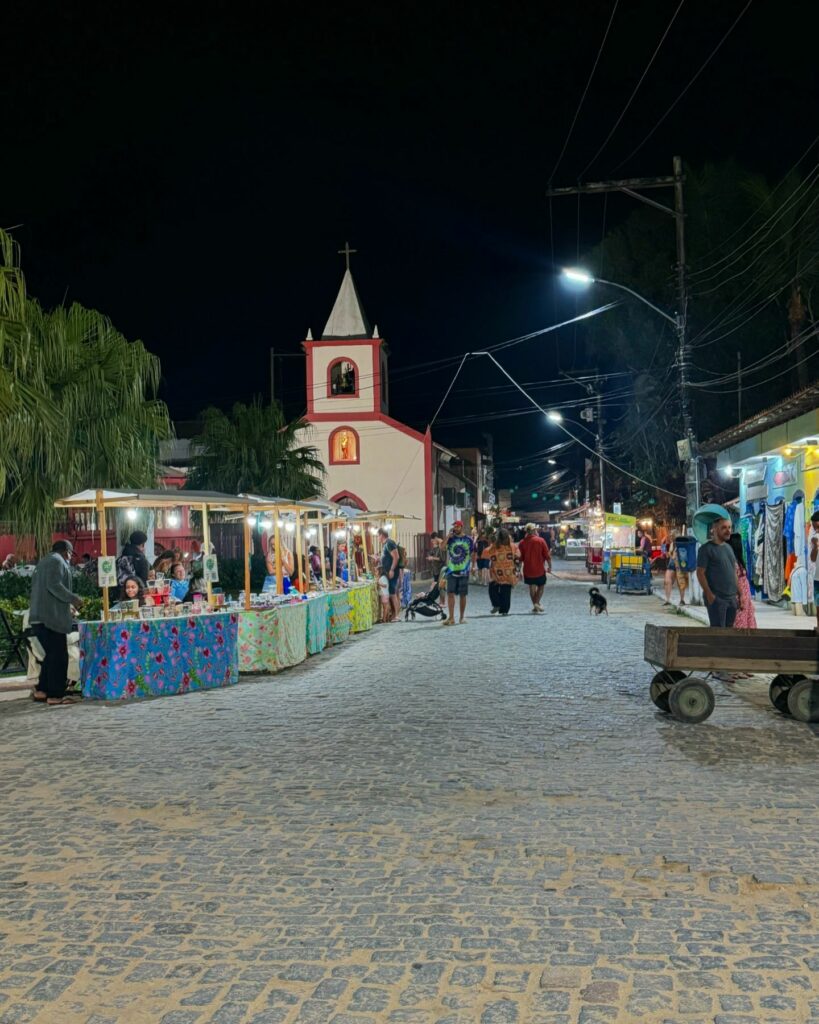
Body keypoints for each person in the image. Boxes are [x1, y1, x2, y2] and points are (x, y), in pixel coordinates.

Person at [29, 540, 83, 706]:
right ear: (67, 551)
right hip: (50, 618)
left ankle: (42, 690)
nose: (69, 558)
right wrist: (74, 599)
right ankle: (56, 695)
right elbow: (54, 586)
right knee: (59, 656)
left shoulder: (43, 562)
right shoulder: (56, 561)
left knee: (51, 655)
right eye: (70, 554)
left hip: (40, 617)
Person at [696, 510, 742, 627]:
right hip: (717, 599)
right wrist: (709, 595)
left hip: (732, 599)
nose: (728, 531)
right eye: (724, 528)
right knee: (718, 632)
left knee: (729, 632)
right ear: (715, 529)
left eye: (730, 528)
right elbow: (700, 573)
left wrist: (740, 594)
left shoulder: (728, 548)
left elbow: (733, 572)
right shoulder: (706, 549)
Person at [481, 527, 519, 616]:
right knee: (506, 591)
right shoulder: (512, 546)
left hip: (497, 573)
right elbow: (518, 554)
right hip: (509, 573)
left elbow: (484, 554)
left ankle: (496, 603)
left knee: (492, 588)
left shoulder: (494, 547)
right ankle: (504, 610)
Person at [443, 520, 474, 625]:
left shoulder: (468, 539)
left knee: (463, 594)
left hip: (464, 571)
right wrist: (447, 537)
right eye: (454, 527)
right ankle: (451, 617)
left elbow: (473, 553)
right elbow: (442, 547)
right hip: (451, 570)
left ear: (461, 527)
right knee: (450, 593)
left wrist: (473, 566)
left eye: (457, 526)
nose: (455, 528)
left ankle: (461, 617)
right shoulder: (450, 540)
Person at [518, 523, 551, 614]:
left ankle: (535, 605)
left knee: (532, 588)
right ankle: (536, 603)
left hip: (528, 570)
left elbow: (520, 558)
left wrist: (518, 570)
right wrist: (550, 567)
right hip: (540, 569)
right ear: (533, 531)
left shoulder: (522, 542)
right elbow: (547, 556)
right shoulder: (541, 540)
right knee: (541, 586)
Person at [729, 533, 757, 629]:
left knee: (745, 621)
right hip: (740, 596)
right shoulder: (733, 562)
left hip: (745, 596)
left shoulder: (738, 561)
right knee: (740, 623)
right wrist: (741, 596)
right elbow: (735, 580)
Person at [377, 527, 400, 622]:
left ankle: (396, 616)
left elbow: (396, 557)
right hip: (388, 572)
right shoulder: (386, 544)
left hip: (392, 572)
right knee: (391, 593)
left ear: (381, 535)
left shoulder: (389, 543)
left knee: (393, 594)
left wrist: (391, 570)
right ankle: (393, 615)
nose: (377, 538)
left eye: (378, 536)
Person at [663, 536, 678, 606]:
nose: (671, 537)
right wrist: (666, 553)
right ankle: (667, 599)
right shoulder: (672, 544)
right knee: (666, 582)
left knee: (670, 582)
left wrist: (669, 554)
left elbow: (674, 557)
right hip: (670, 563)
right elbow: (669, 556)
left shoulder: (679, 545)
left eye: (672, 536)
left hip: (676, 564)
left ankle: (669, 599)